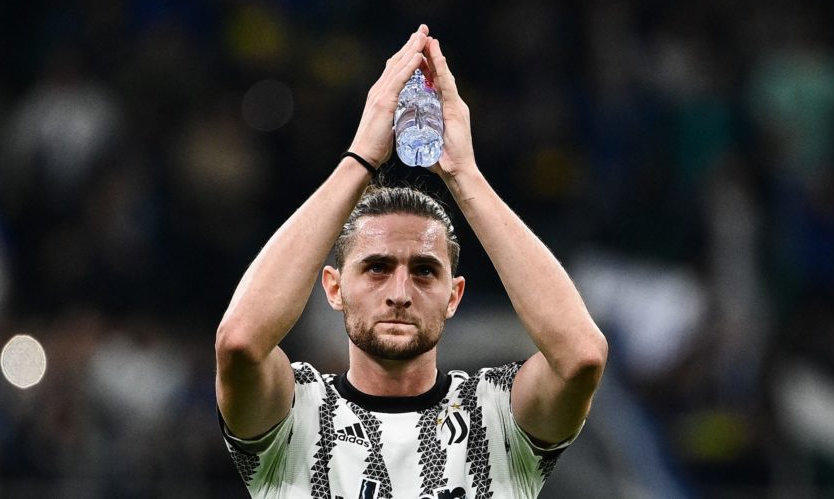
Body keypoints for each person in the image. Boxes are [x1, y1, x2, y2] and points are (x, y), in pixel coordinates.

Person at [215, 25, 608, 498]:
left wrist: (465, 175)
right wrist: (358, 158)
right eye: (377, 267)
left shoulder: (496, 415)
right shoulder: (296, 413)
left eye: (424, 271)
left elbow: (581, 356)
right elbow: (239, 342)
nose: (399, 293)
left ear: (454, 295)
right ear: (334, 287)